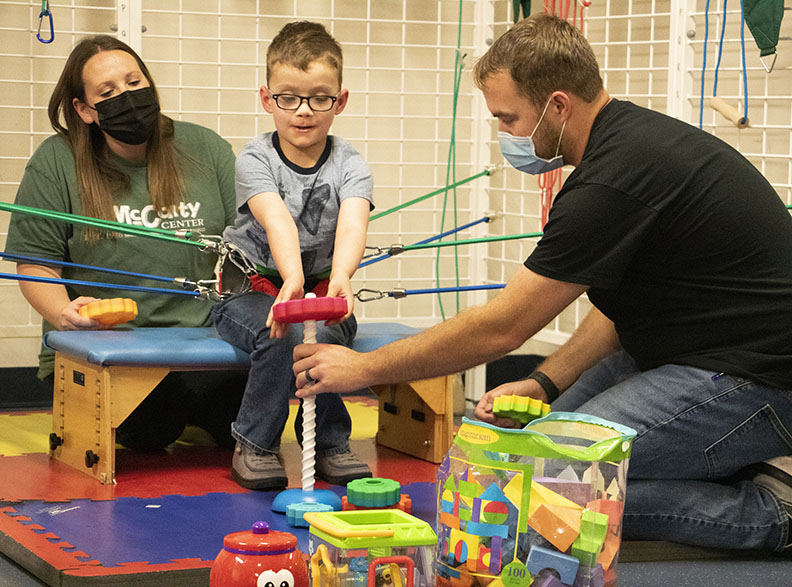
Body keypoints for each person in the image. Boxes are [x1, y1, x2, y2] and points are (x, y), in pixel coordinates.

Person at [293, 13, 792, 553]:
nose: (505, 134)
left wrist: (363, 368)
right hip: (688, 354)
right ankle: (717, 464)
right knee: (523, 456)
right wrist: (544, 384)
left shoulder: (612, 180)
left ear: (557, 105)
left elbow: (501, 329)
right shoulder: (625, 144)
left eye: (509, 118)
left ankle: (771, 515)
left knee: (539, 486)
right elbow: (616, 310)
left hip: (759, 379)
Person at [5, 35, 246, 451]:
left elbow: (242, 249)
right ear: (83, 109)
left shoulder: (205, 147)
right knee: (153, 429)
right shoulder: (56, 161)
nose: (128, 98)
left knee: (247, 423)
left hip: (203, 346)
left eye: (134, 83)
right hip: (110, 351)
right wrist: (64, 314)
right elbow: (35, 263)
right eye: (108, 92)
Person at [211, 21, 374, 490]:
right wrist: (291, 280)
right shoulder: (254, 158)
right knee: (281, 335)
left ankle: (328, 441)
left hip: (321, 290)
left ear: (339, 101)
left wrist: (342, 274)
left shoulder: (350, 163)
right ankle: (255, 443)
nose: (303, 111)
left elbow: (354, 220)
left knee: (322, 333)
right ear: (267, 99)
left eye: (319, 98)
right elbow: (276, 218)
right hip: (250, 289)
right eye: (288, 98)